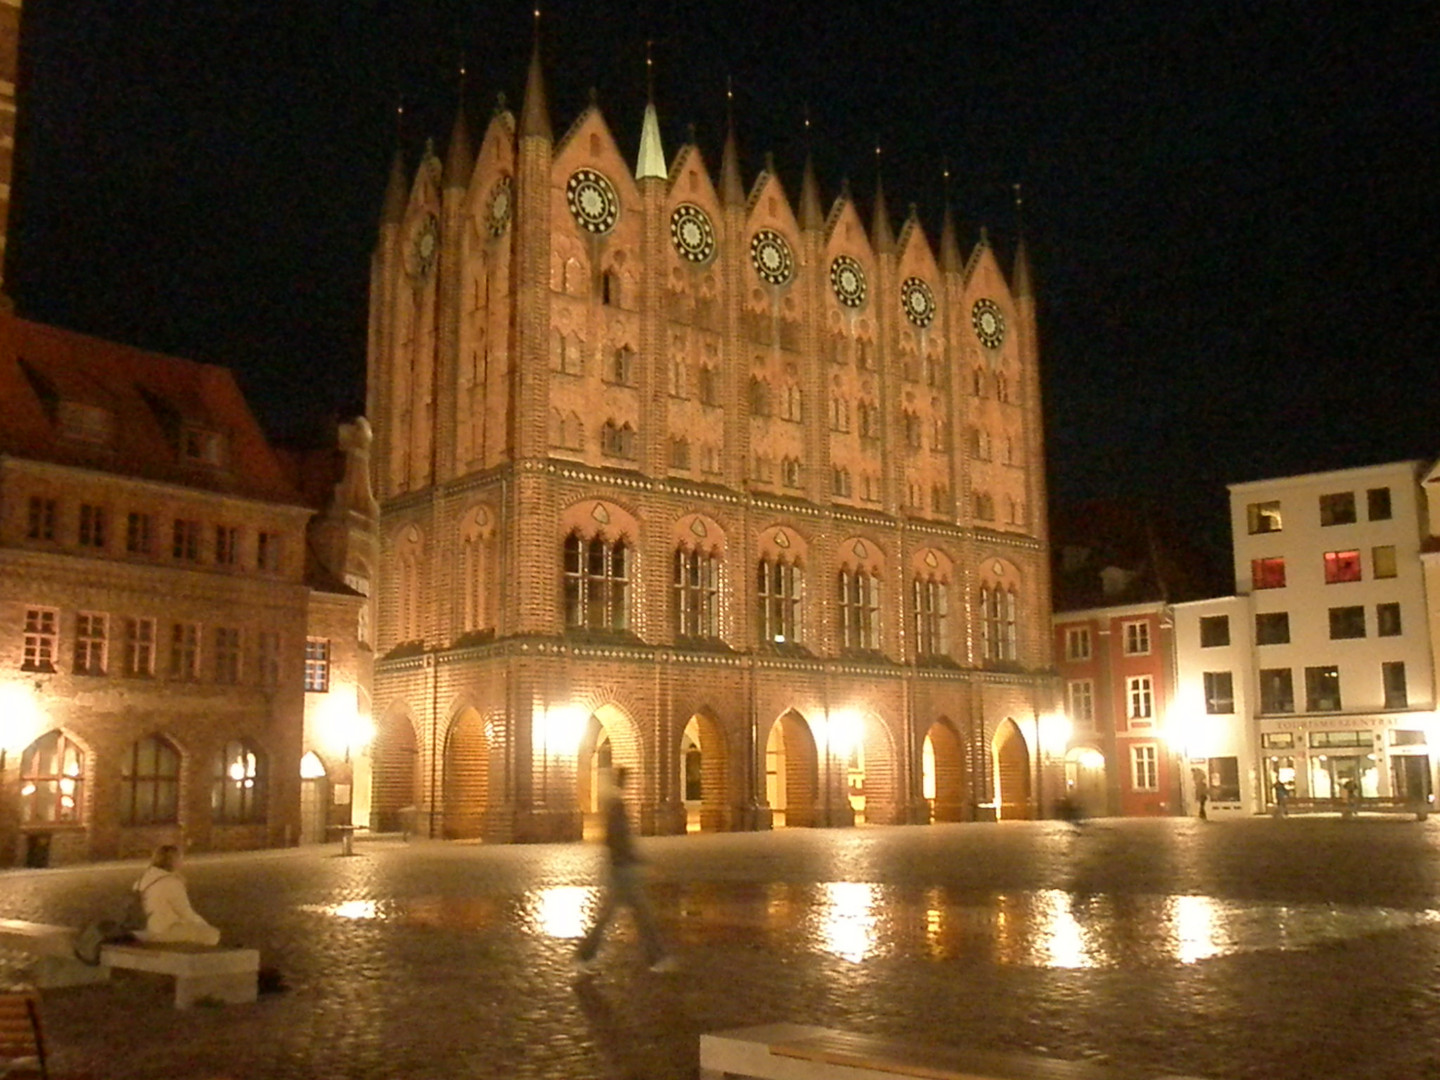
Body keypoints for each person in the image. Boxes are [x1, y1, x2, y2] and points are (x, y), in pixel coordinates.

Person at [575, 767, 675, 974]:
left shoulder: (612, 804)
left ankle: (584, 955)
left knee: (611, 917)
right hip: (624, 872)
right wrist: (639, 861)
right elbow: (619, 840)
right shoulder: (617, 805)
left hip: (619, 869)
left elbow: (617, 840)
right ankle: (658, 958)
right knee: (643, 916)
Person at [132, 844, 221, 946]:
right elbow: (186, 912)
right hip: (164, 930)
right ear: (174, 861)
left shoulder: (143, 880)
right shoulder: (171, 883)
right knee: (212, 934)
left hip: (145, 928)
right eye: (180, 859)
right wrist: (205, 925)